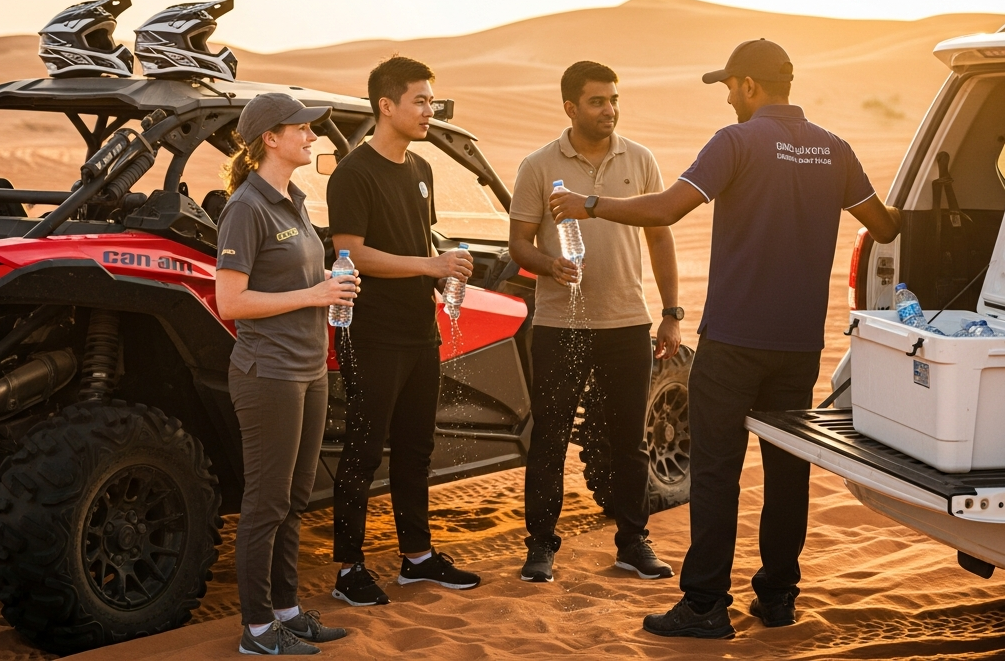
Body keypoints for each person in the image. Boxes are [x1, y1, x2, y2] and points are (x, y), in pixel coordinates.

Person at [549, 40, 902, 637]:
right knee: (789, 473)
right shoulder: (834, 149)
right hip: (798, 346)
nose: (729, 97)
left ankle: (707, 605)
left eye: (731, 86)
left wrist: (588, 203)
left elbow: (664, 210)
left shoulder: (735, 141)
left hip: (734, 340)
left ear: (751, 86)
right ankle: (779, 598)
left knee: (717, 474)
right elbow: (887, 225)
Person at [509, 61, 683, 584]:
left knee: (628, 442)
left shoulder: (641, 159)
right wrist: (548, 264)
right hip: (561, 324)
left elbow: (659, 236)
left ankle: (633, 542)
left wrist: (671, 313)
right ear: (570, 107)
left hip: (627, 321)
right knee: (551, 439)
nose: (609, 109)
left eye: (613, 100)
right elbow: (519, 242)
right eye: (596, 101)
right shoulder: (538, 165)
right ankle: (540, 546)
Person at [326, 55, 482, 607]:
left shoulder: (422, 169)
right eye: (419, 100)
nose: (429, 110)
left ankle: (417, 558)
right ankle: (348, 568)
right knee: (363, 452)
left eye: (431, 100)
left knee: (417, 449)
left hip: (420, 329)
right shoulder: (353, 173)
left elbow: (416, 238)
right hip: (373, 334)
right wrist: (429, 267)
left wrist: (444, 264)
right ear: (385, 106)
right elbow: (352, 254)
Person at [216, 93, 360, 655]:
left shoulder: (293, 200)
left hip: (306, 370)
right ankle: (256, 629)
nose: (311, 135)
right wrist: (316, 292)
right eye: (300, 128)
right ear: (269, 138)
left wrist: (329, 280)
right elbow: (231, 301)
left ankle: (287, 611)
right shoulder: (246, 206)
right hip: (268, 373)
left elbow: (288, 279)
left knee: (295, 498)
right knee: (266, 504)